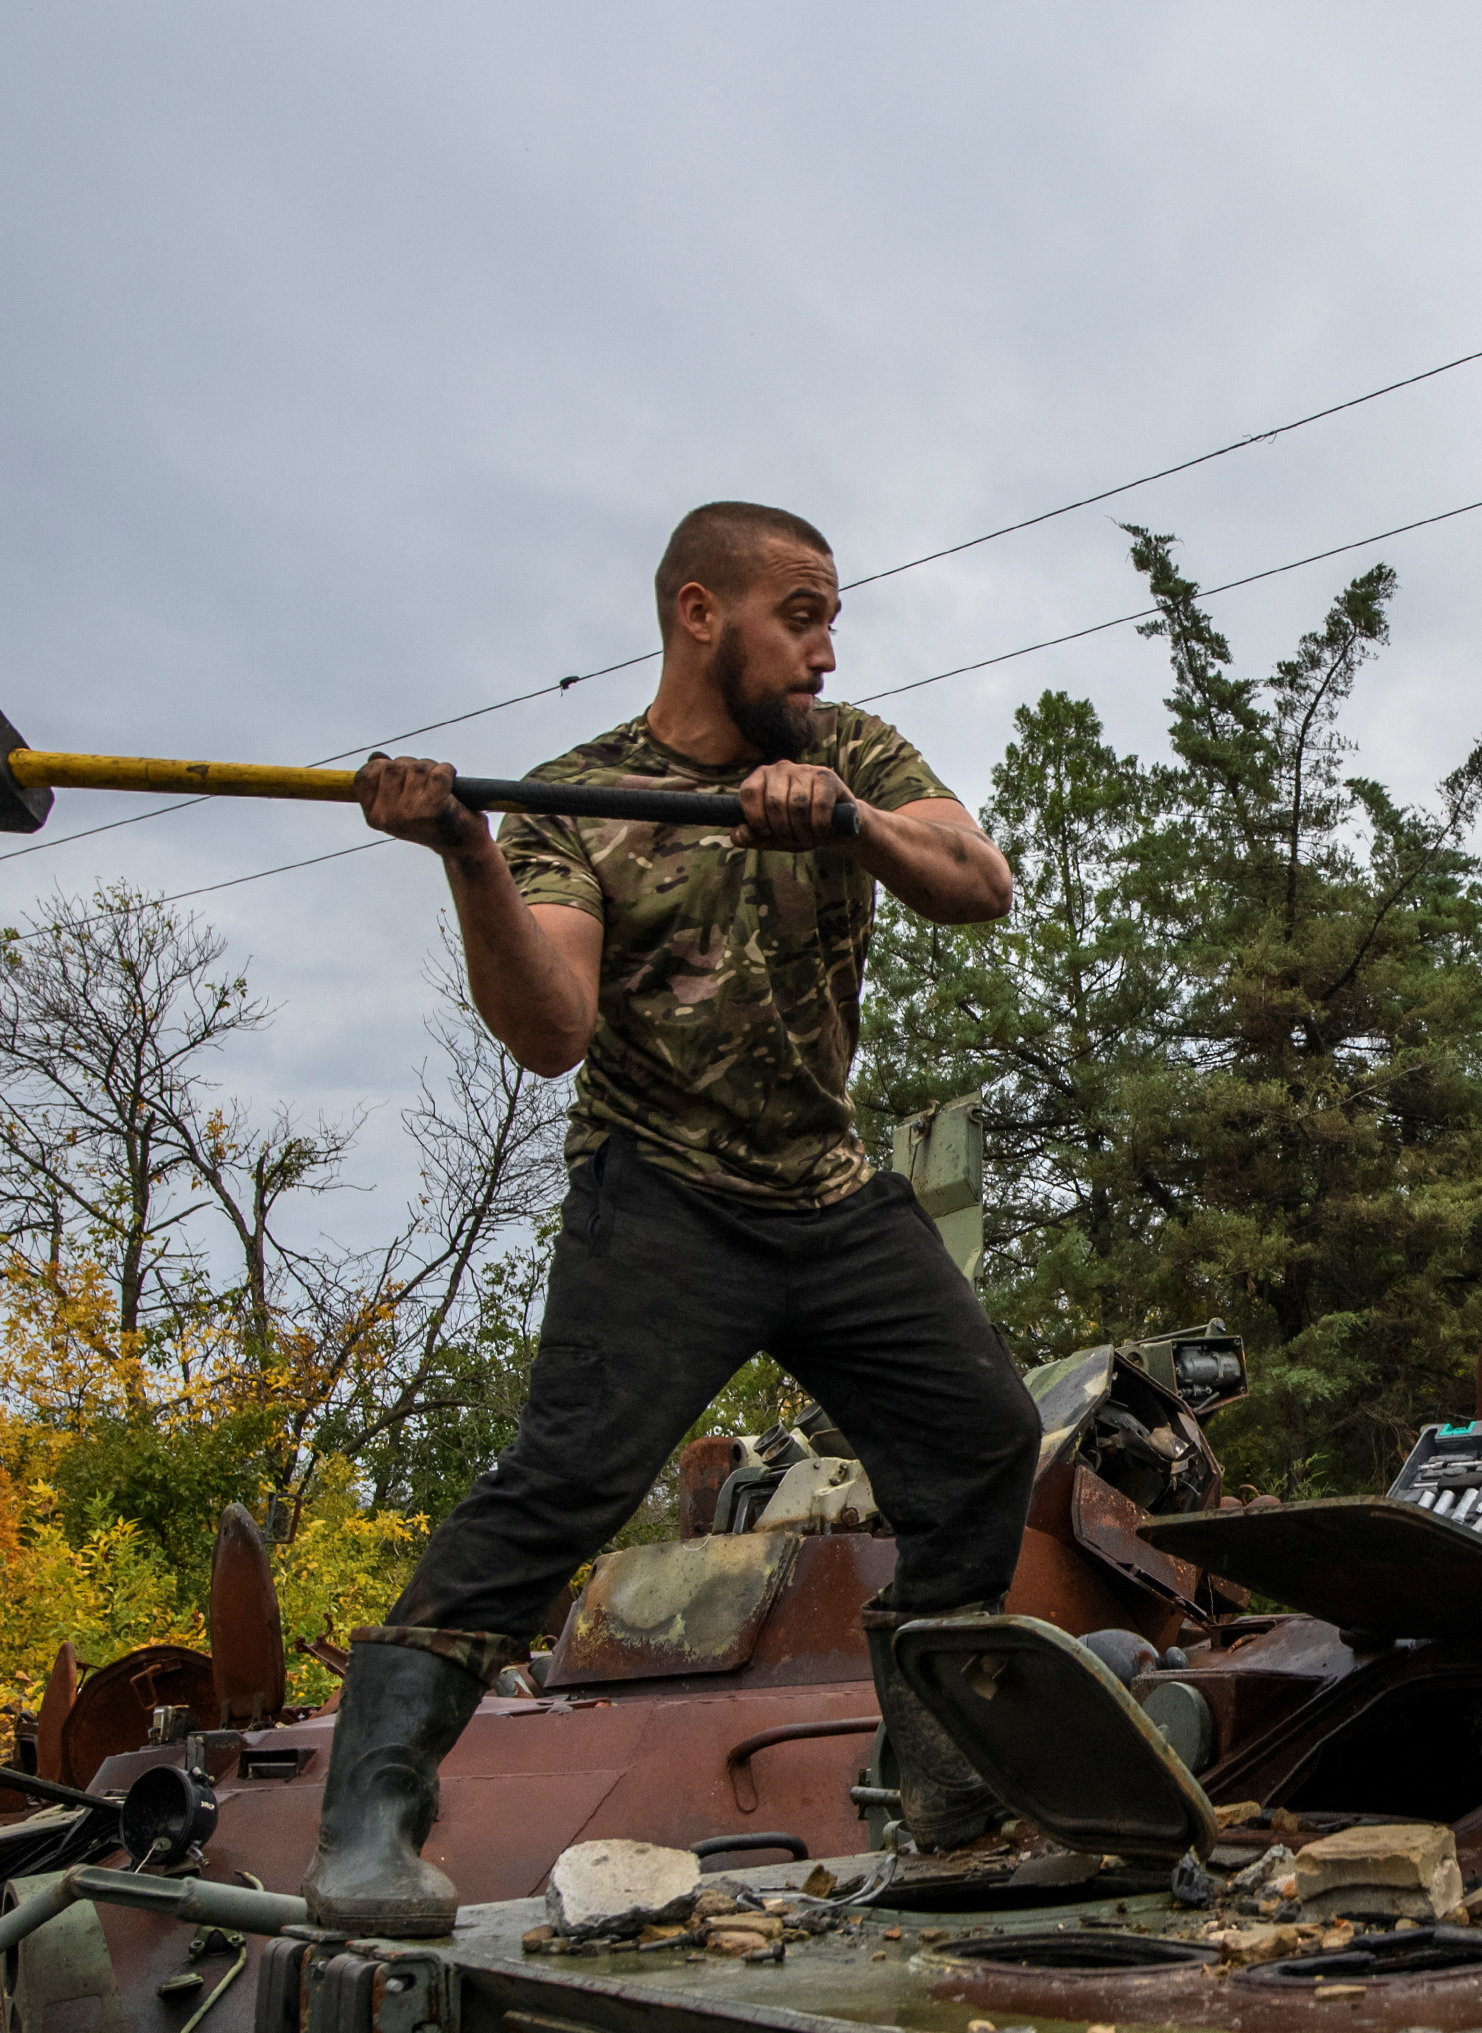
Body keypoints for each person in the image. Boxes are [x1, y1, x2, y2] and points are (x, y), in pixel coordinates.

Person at [307, 500, 1041, 1933]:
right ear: (702, 613)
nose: (827, 651)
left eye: (832, 618)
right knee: (561, 1489)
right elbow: (548, 1029)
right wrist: (465, 848)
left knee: (983, 1438)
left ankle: (947, 1805)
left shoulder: (847, 753)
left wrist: (853, 823)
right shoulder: (579, 796)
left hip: (823, 1194)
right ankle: (371, 1824)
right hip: (663, 1197)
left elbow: (980, 881)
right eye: (803, 614)